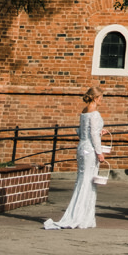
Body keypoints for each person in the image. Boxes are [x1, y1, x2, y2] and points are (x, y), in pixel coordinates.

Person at [42, 84, 106, 230]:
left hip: (81, 148)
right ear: (95, 98)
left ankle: (81, 214)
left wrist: (98, 132)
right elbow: (94, 136)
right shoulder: (95, 113)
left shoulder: (84, 112)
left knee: (81, 180)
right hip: (90, 150)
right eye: (101, 98)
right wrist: (99, 152)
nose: (102, 100)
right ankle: (81, 216)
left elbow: (80, 132)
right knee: (88, 181)